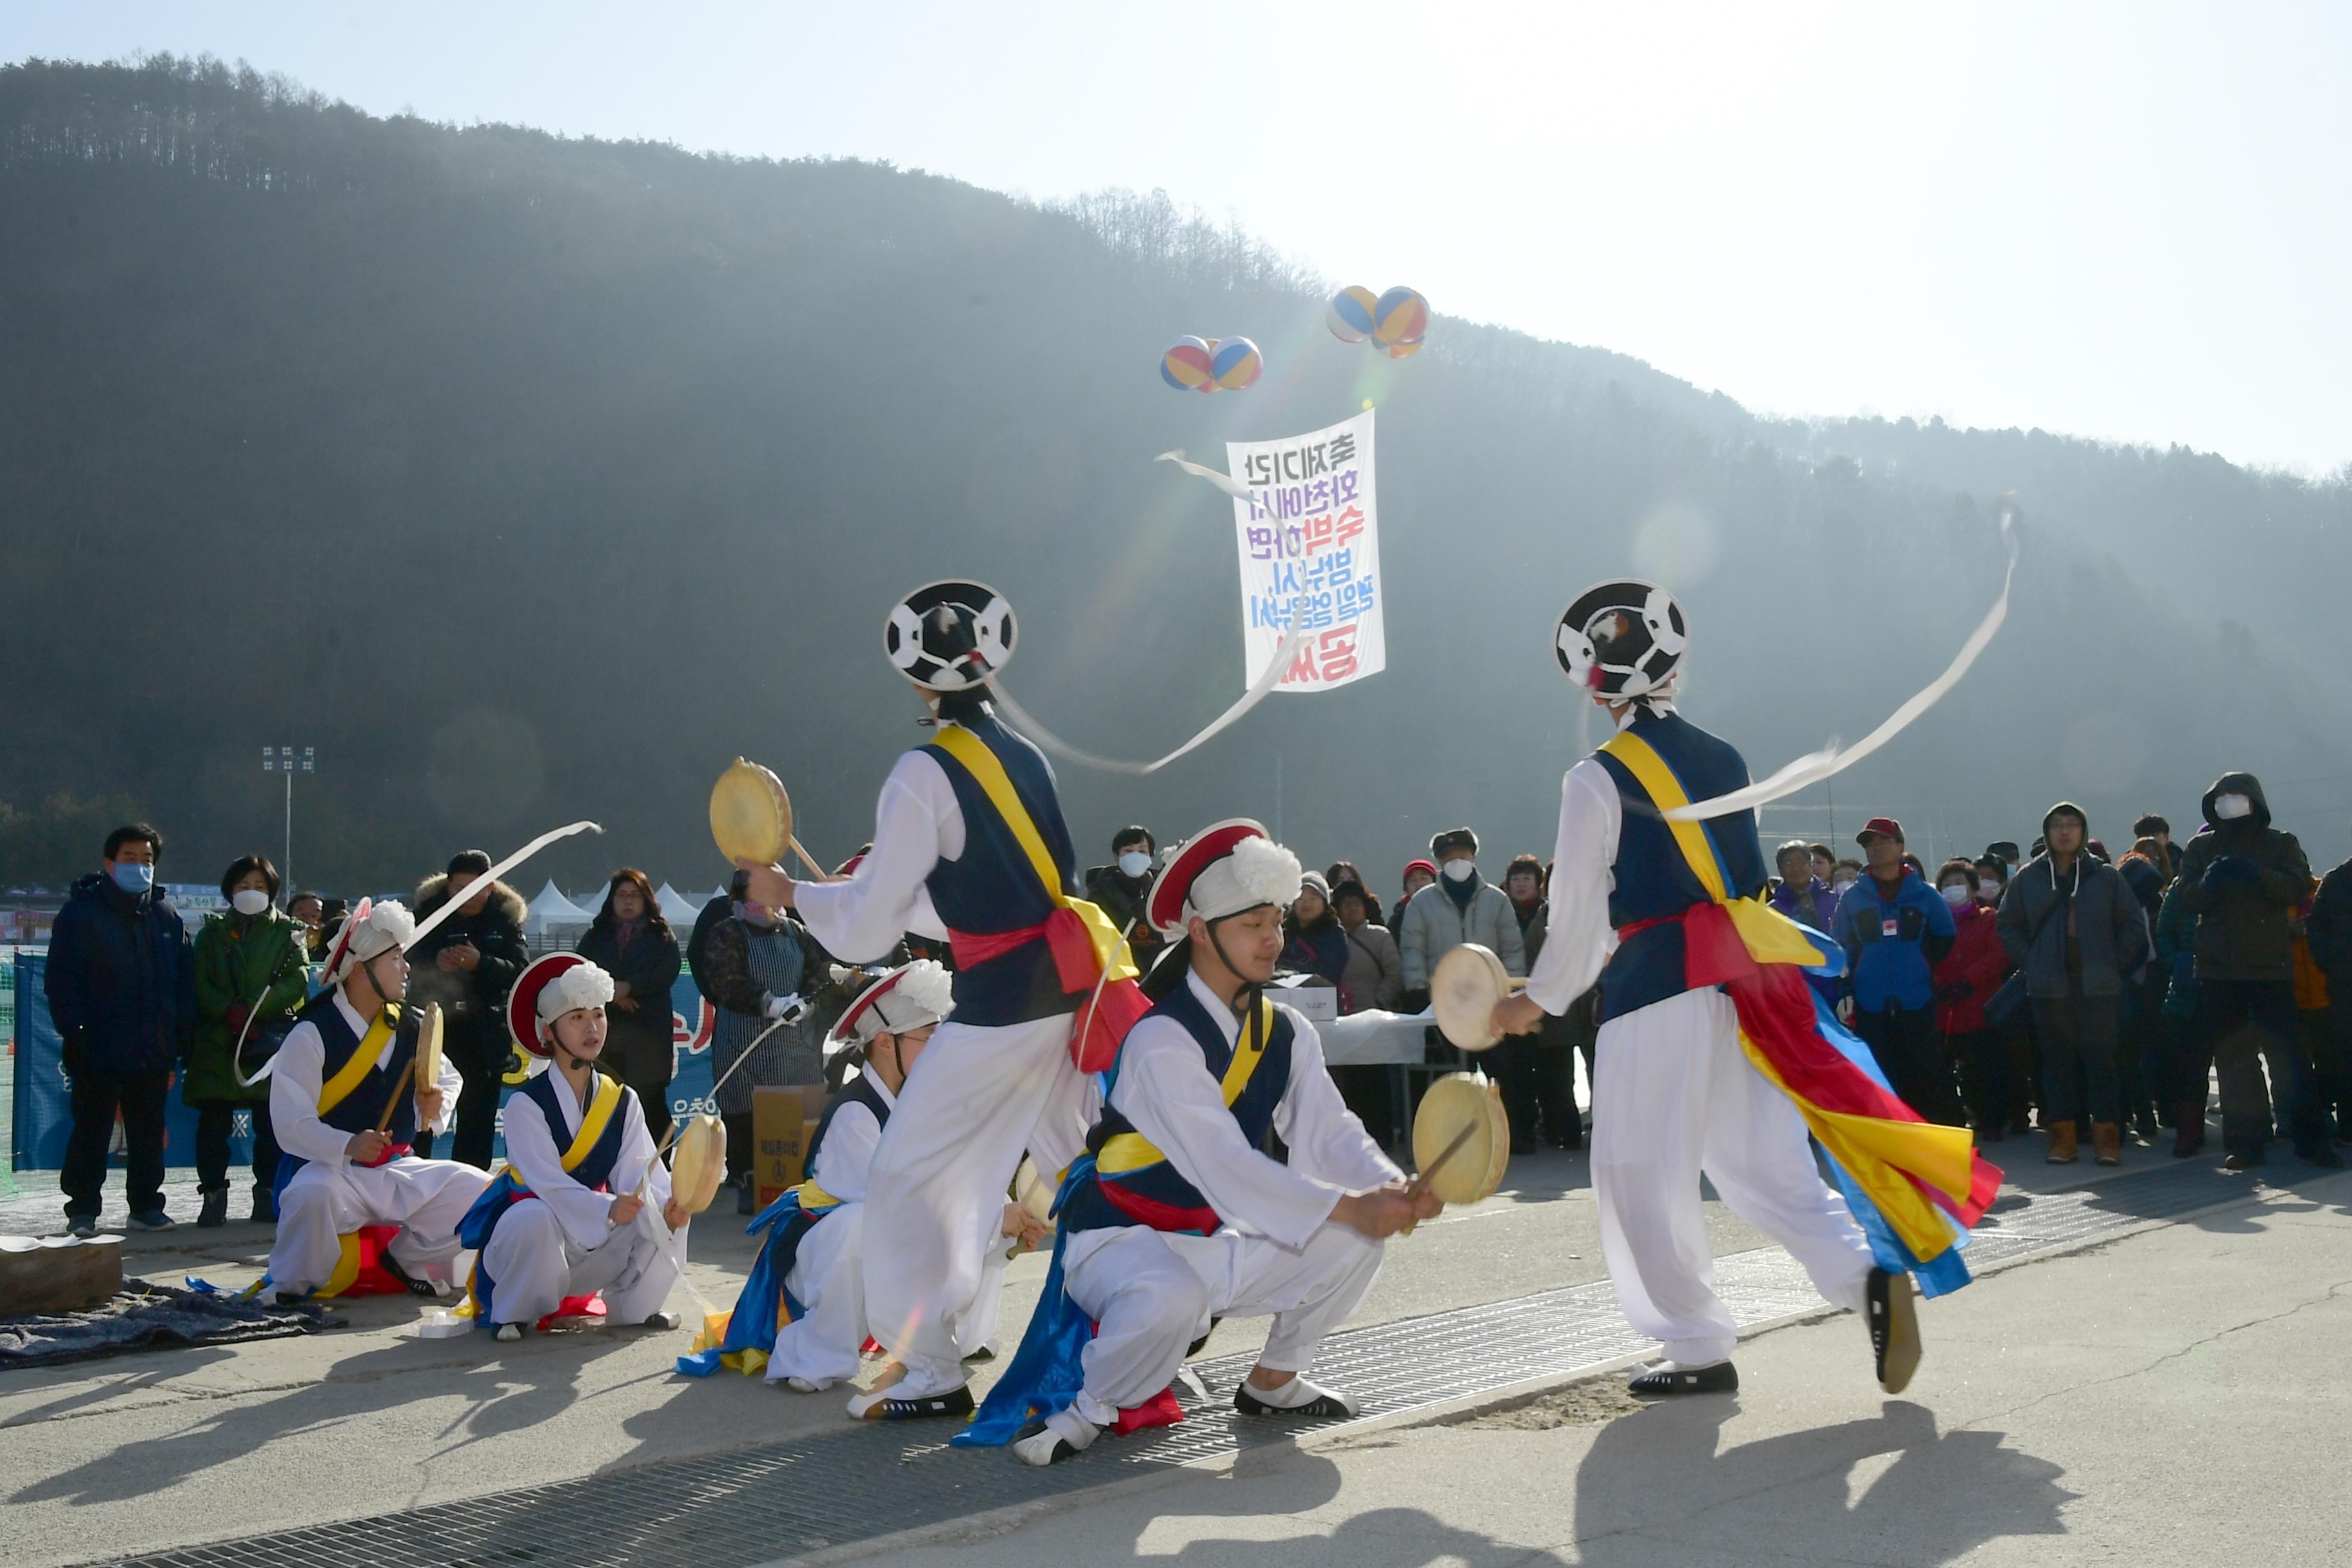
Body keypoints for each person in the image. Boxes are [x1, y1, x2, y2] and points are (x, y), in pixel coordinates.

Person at [1492, 580, 1996, 1399]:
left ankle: (1694, 1342)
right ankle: (1867, 1277)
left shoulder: (1595, 777)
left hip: (1657, 983)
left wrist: (1536, 999)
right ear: (1670, 664)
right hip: (1751, 982)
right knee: (1768, 1168)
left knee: (1637, 1173)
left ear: (1594, 681)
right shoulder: (1725, 755)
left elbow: (1580, 914)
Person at [734, 580, 1139, 1421]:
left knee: (906, 1177)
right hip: (1064, 996)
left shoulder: (922, 769)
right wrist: (858, 889)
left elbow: (875, 921)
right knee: (1081, 1168)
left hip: (998, 1015)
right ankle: (1148, 1331)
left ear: (920, 684)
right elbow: (982, 903)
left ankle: (927, 1367)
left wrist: (796, 895)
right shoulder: (1027, 758)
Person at [964, 821, 1432, 1465]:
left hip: (1210, 1239)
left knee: (1358, 1236)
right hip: (1118, 1239)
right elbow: (1225, 1164)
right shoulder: (1162, 1039)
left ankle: (1275, 1379)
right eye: (1252, 924)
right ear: (1202, 931)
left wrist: (1389, 1186)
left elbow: (1329, 1132)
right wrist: (1352, 1203)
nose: (1273, 939)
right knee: (1172, 1296)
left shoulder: (1288, 1031)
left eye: (1277, 920)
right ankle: (1089, 1407)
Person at [714, 961, 1039, 1387]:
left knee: (992, 1205)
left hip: (887, 1249)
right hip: (823, 1254)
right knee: (861, 1224)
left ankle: (957, 1339)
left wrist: (1005, 1214)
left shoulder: (922, 1101)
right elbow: (897, 1207)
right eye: (929, 1037)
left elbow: (956, 1181)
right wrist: (992, 1220)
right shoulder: (855, 1113)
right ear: (886, 1043)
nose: (940, 1049)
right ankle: (815, 1355)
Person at [264, 901, 487, 1300]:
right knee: (309, 1195)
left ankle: (407, 1259)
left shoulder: (412, 1025)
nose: (406, 968)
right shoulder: (312, 1033)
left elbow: (449, 1077)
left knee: (480, 1190)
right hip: (333, 1173)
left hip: (395, 1169)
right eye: (396, 958)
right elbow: (289, 1122)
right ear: (361, 966)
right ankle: (291, 1287)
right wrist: (347, 1143)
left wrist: (432, 1108)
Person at [460, 954, 687, 1342]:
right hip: (536, 1245)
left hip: (590, 1244)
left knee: (667, 1212)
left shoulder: (623, 1100)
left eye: (598, 1015)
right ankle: (516, 1311)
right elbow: (547, 1183)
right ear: (549, 1032)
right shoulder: (525, 1104)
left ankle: (636, 1308)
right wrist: (607, 1207)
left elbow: (640, 1173)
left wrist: (662, 1207)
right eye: (577, 1018)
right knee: (532, 1216)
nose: (592, 1027)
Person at [2173, 774, 2338, 1170]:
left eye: (2237, 796)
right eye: (2222, 797)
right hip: (2220, 969)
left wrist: (2258, 876)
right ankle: (2246, 1144)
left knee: (2291, 1058)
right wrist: (2211, 882)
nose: (2229, 803)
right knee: (2234, 1059)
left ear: (2255, 801)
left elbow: (2299, 886)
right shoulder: (2200, 847)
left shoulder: (2280, 843)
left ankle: (2312, 1140)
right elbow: (2186, 897)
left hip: (2271, 967)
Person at [45, 823, 193, 1237]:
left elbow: (182, 983)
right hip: (97, 1047)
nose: (140, 866)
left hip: (152, 1048)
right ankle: (83, 1211)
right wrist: (75, 1031)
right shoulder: (80, 914)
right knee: (92, 1131)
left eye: (147, 859)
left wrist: (178, 1039)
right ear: (109, 863)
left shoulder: (166, 916)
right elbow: (61, 980)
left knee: (147, 1133)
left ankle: (145, 1207)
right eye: (130, 858)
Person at [1996, 804, 2150, 1166]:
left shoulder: (2107, 877)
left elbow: (2132, 926)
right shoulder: (2029, 878)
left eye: (2072, 825)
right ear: (2047, 832)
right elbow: (2007, 924)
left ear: (2083, 831)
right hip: (2049, 988)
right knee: (2056, 1065)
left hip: (2099, 988)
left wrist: (2113, 962)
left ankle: (2107, 1140)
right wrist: (2032, 962)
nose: (2064, 831)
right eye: (2057, 825)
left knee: (2102, 1065)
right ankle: (2063, 1140)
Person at [188, 854, 310, 1226]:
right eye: (243, 886)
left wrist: (259, 1010)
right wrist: (228, 1011)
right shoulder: (211, 934)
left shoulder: (289, 932)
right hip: (216, 1045)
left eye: (259, 886)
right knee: (212, 1127)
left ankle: (267, 1195)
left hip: (268, 1044)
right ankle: (213, 1195)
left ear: (272, 891)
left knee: (270, 1127)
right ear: (230, 891)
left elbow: (298, 978)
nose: (251, 892)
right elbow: (199, 982)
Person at [698, 869, 818, 1210]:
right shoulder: (726, 933)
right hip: (742, 1042)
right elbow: (724, 980)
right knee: (743, 1115)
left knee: (794, 1116)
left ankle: (796, 1183)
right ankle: (748, 1181)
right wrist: (768, 1002)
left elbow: (817, 970)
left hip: (793, 1045)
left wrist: (806, 1001)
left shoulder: (797, 932)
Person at [1830, 819, 1963, 1127]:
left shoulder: (1925, 895)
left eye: (1883, 841)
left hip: (1916, 998)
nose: (1876, 849)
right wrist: (1847, 988)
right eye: (1869, 844)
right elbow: (1842, 945)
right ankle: (1890, 1142)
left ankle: (1945, 1140)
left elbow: (1945, 936)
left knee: (1930, 1072)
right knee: (1880, 1075)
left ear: (1901, 847)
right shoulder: (1853, 898)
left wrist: (1921, 966)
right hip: (1871, 1002)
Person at [408, 850, 530, 1168]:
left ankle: (470, 1192)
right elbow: (403, 958)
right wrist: (436, 961)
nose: (464, 897)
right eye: (458, 889)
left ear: (490, 888)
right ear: (448, 886)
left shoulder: (504, 918)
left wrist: (482, 963)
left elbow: (520, 970)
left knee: (477, 1121)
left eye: (474, 889)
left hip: (484, 1032)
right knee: (420, 1113)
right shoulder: (427, 913)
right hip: (433, 1028)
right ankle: (410, 1181)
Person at [574, 869, 684, 1146]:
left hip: (649, 1031)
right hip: (607, 1032)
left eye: (634, 895)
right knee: (607, 1100)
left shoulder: (661, 935)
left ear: (646, 899)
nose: (628, 901)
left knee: (652, 1101)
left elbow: (666, 972)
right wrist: (614, 992)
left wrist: (632, 987)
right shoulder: (596, 936)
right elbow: (580, 970)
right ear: (611, 899)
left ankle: (660, 1165)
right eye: (622, 895)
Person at [1495, 854, 1582, 1150]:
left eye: (1527, 879)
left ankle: (1566, 1131)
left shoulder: (1553, 912)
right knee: (1521, 1074)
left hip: (1557, 1008)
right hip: (1516, 1004)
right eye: (1515, 880)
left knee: (1559, 1073)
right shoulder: (1501, 912)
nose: (1521, 885)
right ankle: (1528, 1131)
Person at [1929, 859, 2009, 1144]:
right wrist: (1939, 984)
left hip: (1980, 1005)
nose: (1954, 889)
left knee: (1984, 1068)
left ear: (1974, 888)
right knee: (1943, 1071)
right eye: (1947, 885)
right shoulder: (1934, 923)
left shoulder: (1990, 918)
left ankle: (1991, 1120)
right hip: (1945, 1008)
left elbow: (1997, 955)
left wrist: (1967, 980)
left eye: (1959, 883)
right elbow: (1926, 957)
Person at [1398, 828, 1526, 1002]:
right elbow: (1412, 950)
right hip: (1440, 1000)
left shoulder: (1497, 900)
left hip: (1491, 998)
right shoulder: (1420, 903)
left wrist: (1513, 988)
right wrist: (1417, 990)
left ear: (1473, 855)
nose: (1456, 861)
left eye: (1462, 855)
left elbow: (1512, 948)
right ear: (1439, 861)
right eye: (1448, 857)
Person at [2153, 869, 2211, 1156]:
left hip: (2233, 981)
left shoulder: (2241, 878)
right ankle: (2189, 1131)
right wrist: (2176, 965)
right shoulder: (2181, 887)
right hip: (2187, 989)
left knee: (2237, 1062)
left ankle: (2247, 1134)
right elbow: (2163, 932)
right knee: (2190, 1065)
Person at [2304, 843, 2352, 1142]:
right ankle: (2348, 1126)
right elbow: (2315, 927)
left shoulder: (2336, 880)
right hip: (2344, 983)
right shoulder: (2338, 880)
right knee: (2346, 1056)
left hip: (2341, 979)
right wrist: (2332, 963)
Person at [1084, 826, 1165, 968]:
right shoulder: (1100, 894)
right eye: (1128, 851)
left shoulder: (1161, 890)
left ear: (1151, 856)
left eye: (1142, 851)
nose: (1136, 856)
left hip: (1156, 978)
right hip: (1116, 975)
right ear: (1117, 856)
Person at [1331, 880, 1402, 1014]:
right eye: (1346, 904)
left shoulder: (1381, 936)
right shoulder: (1330, 940)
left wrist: (1379, 1002)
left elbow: (1395, 974)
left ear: (1365, 907)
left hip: (1376, 1017)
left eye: (1357, 903)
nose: (1352, 908)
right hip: (1339, 1018)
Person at [1280, 872, 1351, 983]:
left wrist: (1292, 975)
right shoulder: (1284, 934)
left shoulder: (1334, 934)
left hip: (1321, 997)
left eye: (1313, 898)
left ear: (1325, 903)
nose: (1306, 904)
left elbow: (1330, 972)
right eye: (1300, 899)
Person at [1325, 862, 1384, 928]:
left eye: (1350, 879)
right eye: (1341, 880)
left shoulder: (1371, 905)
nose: (1347, 884)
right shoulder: (1324, 907)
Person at [288, 890, 331, 963]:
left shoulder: (331, 938)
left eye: (314, 916)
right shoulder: (283, 938)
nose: (309, 920)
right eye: (303, 915)